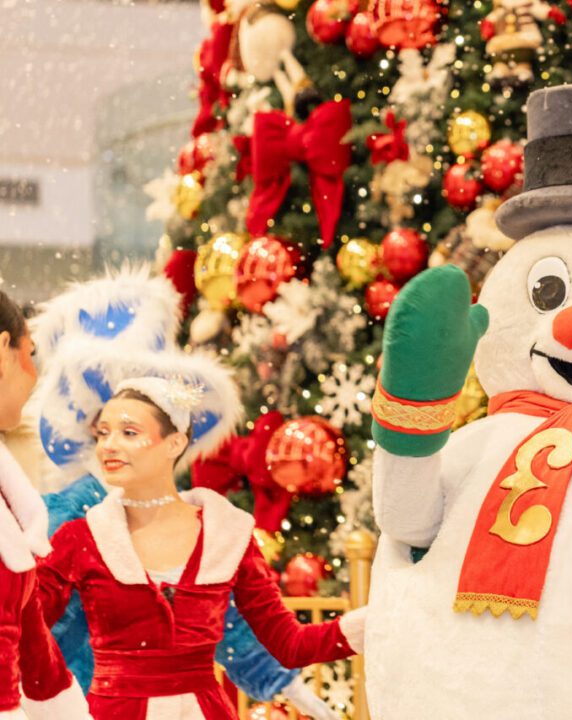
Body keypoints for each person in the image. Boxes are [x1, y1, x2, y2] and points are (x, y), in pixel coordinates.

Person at [27, 267, 339, 719]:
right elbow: (22, 619)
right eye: (107, 429)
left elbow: (218, 616)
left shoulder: (195, 522)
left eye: (132, 427)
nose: (114, 441)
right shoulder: (65, 520)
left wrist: (283, 681)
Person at [0, 289, 90, 719]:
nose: (34, 374)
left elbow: (36, 657)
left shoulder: (14, 502)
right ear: (3, 349)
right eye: (30, 353)